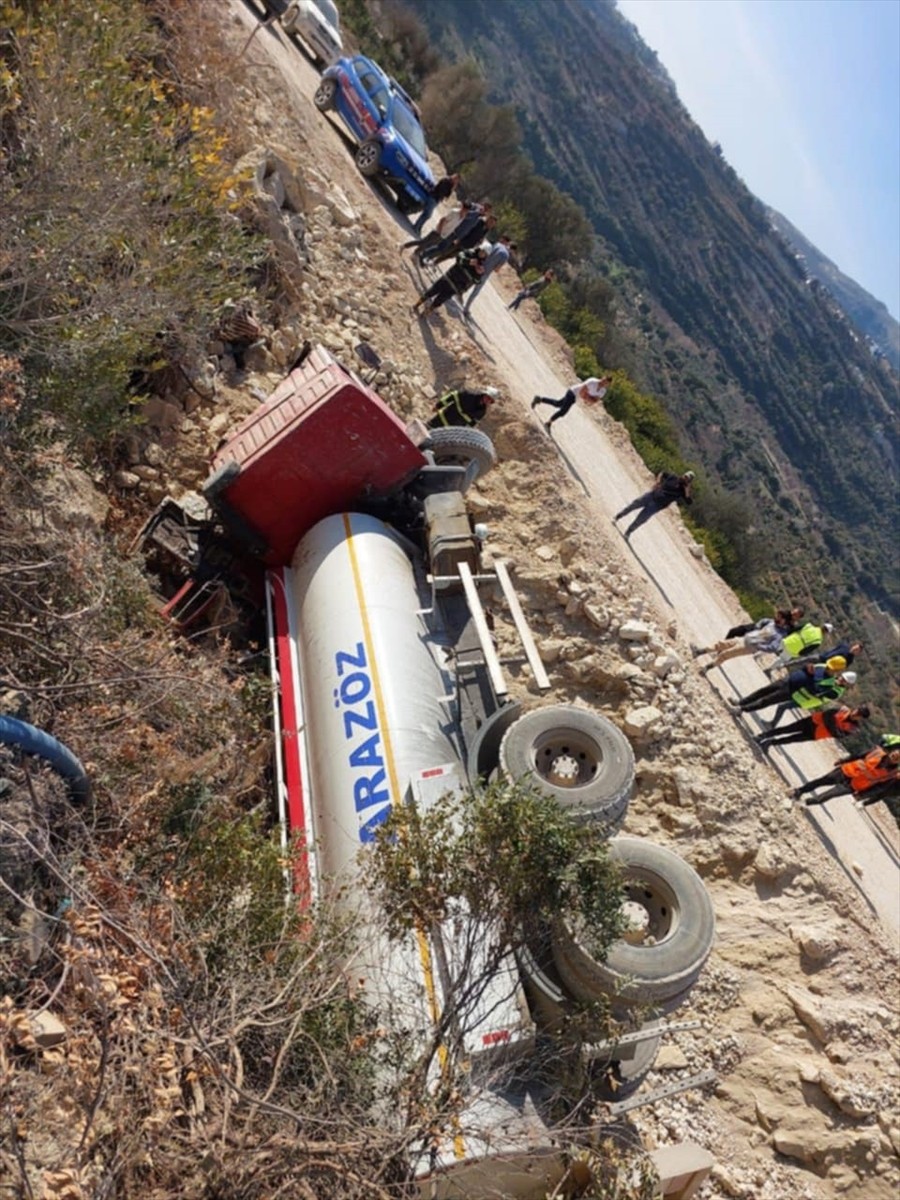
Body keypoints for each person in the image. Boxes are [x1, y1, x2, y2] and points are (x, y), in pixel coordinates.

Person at [731, 662, 854, 728]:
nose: (840, 679)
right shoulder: (823, 667)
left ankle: (742, 709)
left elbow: (815, 690)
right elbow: (806, 666)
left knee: (768, 700)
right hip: (789, 680)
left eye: (843, 680)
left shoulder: (832, 685)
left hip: (796, 693)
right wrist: (807, 668)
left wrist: (814, 678)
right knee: (764, 690)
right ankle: (741, 702)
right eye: (841, 677)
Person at [793, 743, 900, 807]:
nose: (894, 756)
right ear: (893, 751)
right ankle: (799, 791)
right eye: (895, 753)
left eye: (897, 758)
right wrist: (843, 760)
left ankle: (805, 803)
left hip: (854, 785)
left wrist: (863, 795)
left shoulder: (892, 773)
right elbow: (858, 755)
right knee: (822, 781)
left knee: (831, 794)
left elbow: (879, 787)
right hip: (846, 771)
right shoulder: (877, 752)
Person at [694, 611, 794, 675]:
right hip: (745, 638)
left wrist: (759, 646)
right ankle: (699, 652)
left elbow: (773, 647)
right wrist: (757, 627)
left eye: (779, 617)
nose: (776, 617)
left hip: (748, 647)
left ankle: (707, 668)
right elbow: (764, 621)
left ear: (784, 621)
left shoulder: (779, 635)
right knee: (721, 644)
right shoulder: (772, 622)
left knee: (725, 655)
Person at [755, 703, 870, 752]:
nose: (856, 713)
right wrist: (833, 726)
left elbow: (838, 735)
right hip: (812, 721)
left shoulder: (853, 728)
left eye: (859, 714)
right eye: (857, 710)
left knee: (791, 739)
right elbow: (826, 715)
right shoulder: (843, 709)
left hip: (817, 733)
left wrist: (832, 723)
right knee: (786, 729)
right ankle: (762, 736)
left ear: (861, 718)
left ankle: (769, 743)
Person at [613, 470, 694, 539]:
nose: (685, 478)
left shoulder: (682, 491)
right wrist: (658, 482)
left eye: (687, 479)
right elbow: (662, 473)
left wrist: (687, 490)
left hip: (657, 505)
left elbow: (689, 502)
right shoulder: (673, 477)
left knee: (641, 518)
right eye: (685, 476)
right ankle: (618, 517)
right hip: (652, 495)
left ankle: (628, 531)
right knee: (633, 505)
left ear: (689, 481)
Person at [411, 245, 488, 317]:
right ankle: (417, 305)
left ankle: (426, 312)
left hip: (455, 287)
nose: (482, 253)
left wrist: (478, 274)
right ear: (479, 249)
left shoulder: (480, 267)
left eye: (484, 253)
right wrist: (468, 261)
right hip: (448, 277)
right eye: (482, 251)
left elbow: (476, 281)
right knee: (432, 291)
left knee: (439, 300)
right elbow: (459, 257)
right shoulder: (469, 253)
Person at [420, 202, 493, 266]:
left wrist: (459, 238)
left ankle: (424, 255)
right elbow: (465, 214)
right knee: (439, 246)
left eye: (487, 211)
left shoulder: (478, 218)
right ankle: (423, 254)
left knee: (441, 249)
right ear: (483, 206)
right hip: (453, 231)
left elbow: (468, 229)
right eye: (486, 210)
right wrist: (477, 212)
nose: (485, 213)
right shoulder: (474, 207)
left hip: (457, 236)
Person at [531, 375, 612, 430]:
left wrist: (588, 398)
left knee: (557, 403)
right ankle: (549, 423)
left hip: (575, 397)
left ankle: (539, 399)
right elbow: (582, 392)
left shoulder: (603, 391)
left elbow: (595, 400)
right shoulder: (592, 382)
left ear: (607, 385)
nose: (603, 382)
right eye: (604, 380)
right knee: (563, 411)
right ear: (602, 377)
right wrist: (588, 398)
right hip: (573, 392)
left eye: (606, 383)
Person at [462, 237, 515, 316]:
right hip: (485, 272)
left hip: (479, 265)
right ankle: (466, 309)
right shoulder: (506, 255)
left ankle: (457, 292)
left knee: (469, 281)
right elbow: (497, 269)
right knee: (475, 291)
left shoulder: (497, 244)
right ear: (512, 250)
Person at [764, 620, 833, 674]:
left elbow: (796, 628)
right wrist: (800, 654)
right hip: (794, 650)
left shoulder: (809, 625)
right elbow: (808, 650)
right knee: (782, 659)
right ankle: (769, 670)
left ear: (822, 626)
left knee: (772, 647)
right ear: (826, 633)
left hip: (789, 640)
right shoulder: (818, 641)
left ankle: (757, 654)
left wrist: (787, 634)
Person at [411, 172, 460, 236]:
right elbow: (441, 191)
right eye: (455, 178)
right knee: (427, 214)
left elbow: (447, 196)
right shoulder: (446, 181)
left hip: (436, 200)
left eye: (457, 180)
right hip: (433, 197)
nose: (455, 180)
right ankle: (416, 226)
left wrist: (452, 188)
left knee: (426, 214)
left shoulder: (450, 185)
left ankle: (419, 227)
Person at [427, 386, 500, 429]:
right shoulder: (469, 395)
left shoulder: (481, 412)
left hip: (449, 430)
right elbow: (452, 396)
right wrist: (439, 405)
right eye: (488, 397)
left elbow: (472, 424)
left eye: (491, 400)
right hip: (442, 418)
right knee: (426, 431)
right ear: (485, 394)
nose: (488, 400)